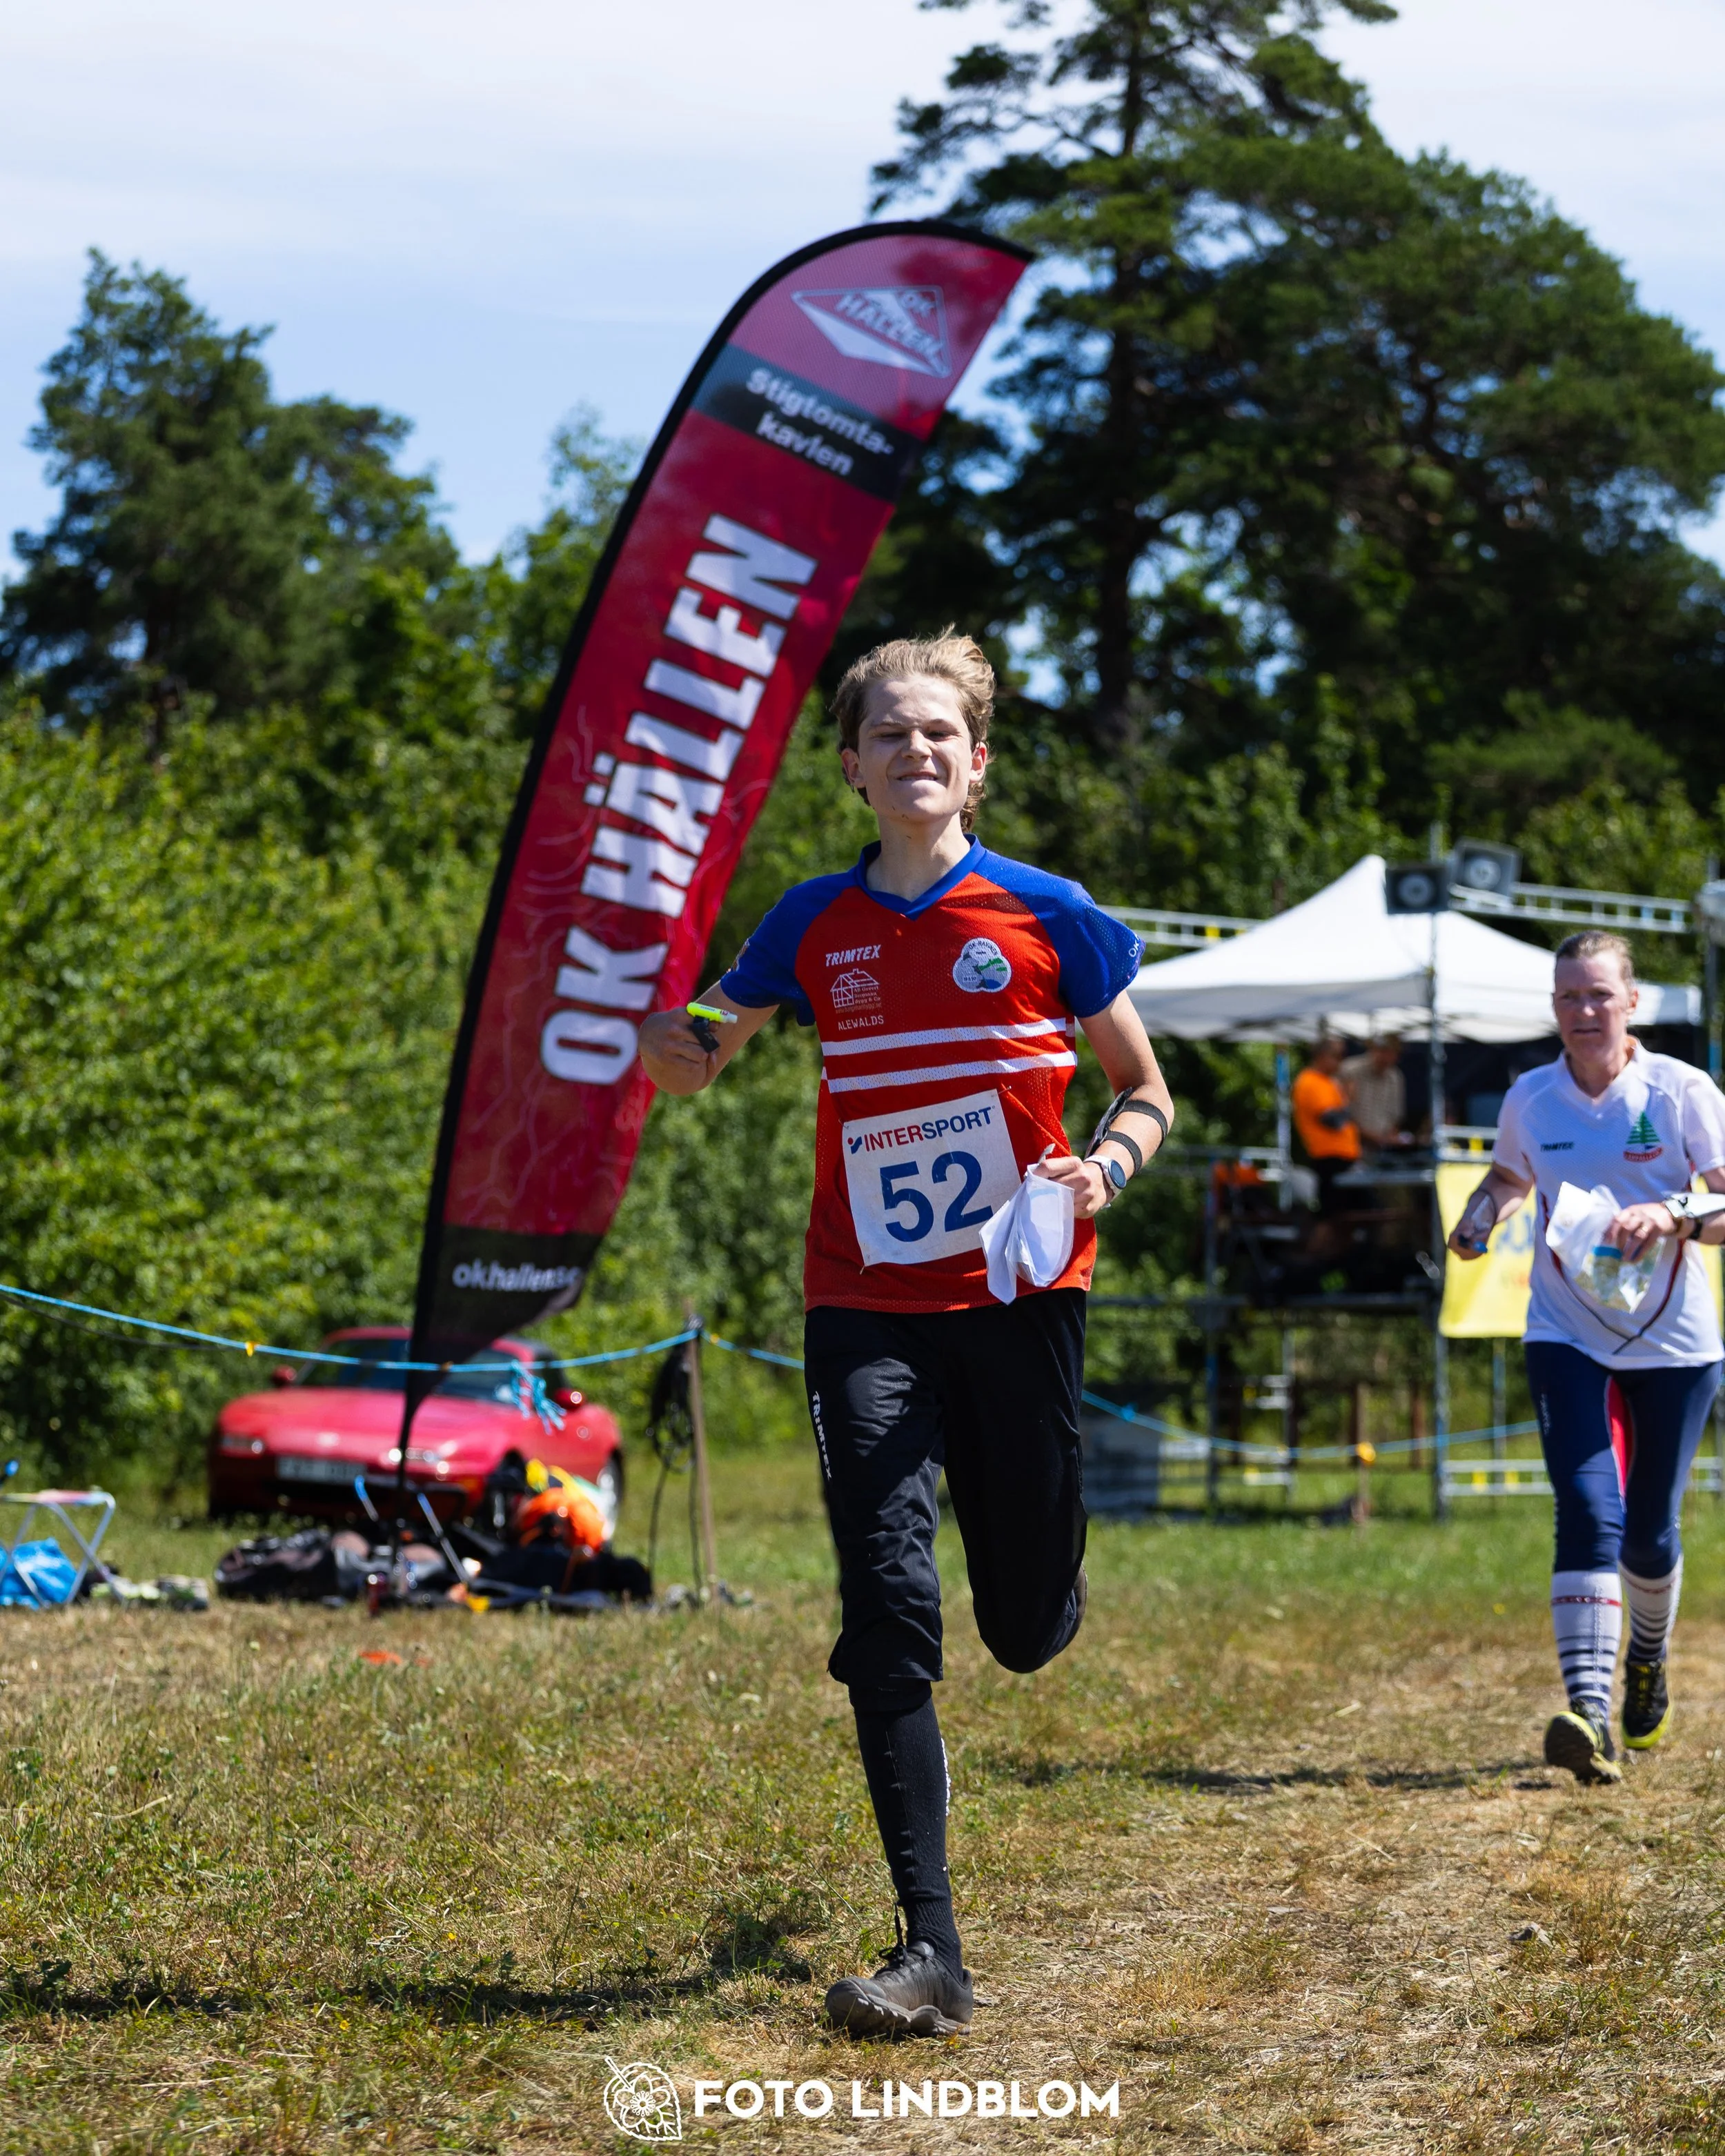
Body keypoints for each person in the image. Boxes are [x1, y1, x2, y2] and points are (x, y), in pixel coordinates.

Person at [638, 631, 1172, 2037]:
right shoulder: (809, 922)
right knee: (884, 1603)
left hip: (1014, 1303)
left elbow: (1143, 1091)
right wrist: (651, 1018)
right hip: (861, 1302)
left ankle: (1043, 1561)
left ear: (975, 758)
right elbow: (700, 1052)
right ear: (851, 767)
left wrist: (1097, 1171)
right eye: (888, 735)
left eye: (939, 732)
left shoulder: (1050, 913)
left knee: (1020, 1620)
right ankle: (929, 1947)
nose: (915, 752)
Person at [1447, 931, 1725, 1784]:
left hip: (1673, 1338)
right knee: (1585, 1509)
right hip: (1564, 1328)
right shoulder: (1532, 1096)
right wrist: (1481, 1210)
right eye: (1567, 996)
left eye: (1598, 994)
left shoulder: (1680, 1090)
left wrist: (1671, 1213)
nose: (1582, 1012)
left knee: (1647, 1531)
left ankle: (1646, 1659)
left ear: (1631, 1001)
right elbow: (1506, 1176)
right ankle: (1590, 1715)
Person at [1291, 1034, 1360, 1213]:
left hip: (1342, 1159)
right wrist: (1348, 1100)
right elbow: (1332, 1121)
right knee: (1332, 1220)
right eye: (1337, 1056)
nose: (1340, 1062)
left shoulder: (1327, 1082)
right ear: (1322, 1056)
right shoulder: (1311, 1082)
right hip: (1329, 1160)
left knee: (1349, 1218)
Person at [1341, 1034, 1409, 1151]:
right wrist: (1370, 1136)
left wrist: (1390, 1138)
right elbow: (1342, 1111)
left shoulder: (1395, 1077)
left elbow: (1396, 1115)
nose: (1385, 1057)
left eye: (1391, 1053)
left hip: (1382, 1146)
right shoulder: (1350, 1070)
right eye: (1382, 1051)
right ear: (1372, 1050)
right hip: (1352, 1142)